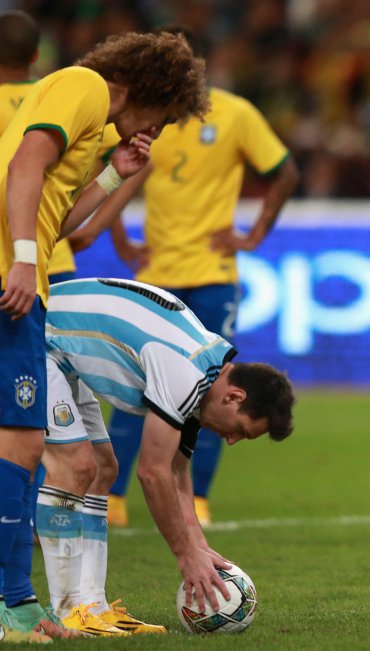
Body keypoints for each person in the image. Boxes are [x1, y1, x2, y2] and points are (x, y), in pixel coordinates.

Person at [0, 26, 209, 642]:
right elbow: (25, 162)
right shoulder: (84, 86)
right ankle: (13, 605)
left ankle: (17, 604)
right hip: (13, 280)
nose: (157, 131)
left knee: (27, 449)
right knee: (25, 450)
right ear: (147, 88)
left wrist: (115, 175)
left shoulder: (94, 135)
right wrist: (18, 259)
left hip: (25, 278)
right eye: (164, 117)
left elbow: (59, 224)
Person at [72, 26, 300, 530]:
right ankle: (113, 497)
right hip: (158, 275)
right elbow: (132, 175)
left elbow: (284, 171)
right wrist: (119, 241)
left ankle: (195, 497)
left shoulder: (237, 114)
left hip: (212, 272)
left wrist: (253, 234)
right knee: (140, 387)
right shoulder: (157, 117)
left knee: (217, 393)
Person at [39, 277, 295, 635]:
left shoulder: (207, 369)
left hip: (60, 349)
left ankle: (92, 606)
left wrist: (200, 546)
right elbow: (152, 473)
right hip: (35, 336)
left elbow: (177, 472)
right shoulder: (186, 373)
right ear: (234, 397)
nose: (233, 441)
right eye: (241, 430)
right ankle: (65, 611)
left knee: (102, 469)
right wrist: (185, 555)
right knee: (76, 466)